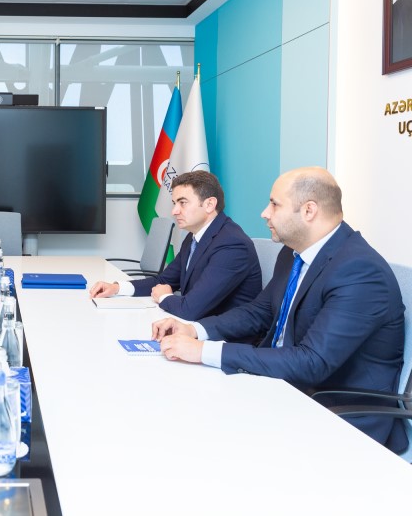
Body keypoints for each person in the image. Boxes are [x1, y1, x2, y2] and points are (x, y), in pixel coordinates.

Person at [153, 167, 407, 453]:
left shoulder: (360, 271)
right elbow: (258, 312)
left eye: (274, 204)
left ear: (309, 210)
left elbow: (311, 362)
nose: (265, 213)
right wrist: (194, 330)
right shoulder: (293, 253)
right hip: (283, 388)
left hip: (338, 415)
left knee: (205, 440)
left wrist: (204, 351)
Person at [90, 171, 261, 320]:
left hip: (221, 338)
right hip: (192, 325)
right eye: (174, 203)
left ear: (209, 204)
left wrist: (164, 297)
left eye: (183, 202)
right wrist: (117, 288)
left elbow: (190, 309)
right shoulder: (194, 237)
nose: (174, 211)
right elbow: (163, 281)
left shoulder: (232, 245)